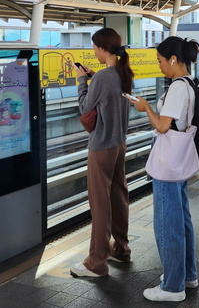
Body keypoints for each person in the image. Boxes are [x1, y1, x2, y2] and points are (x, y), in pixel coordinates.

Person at [130, 37, 199, 302]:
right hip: (179, 160)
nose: (159, 66)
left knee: (167, 222)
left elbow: (162, 126)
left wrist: (145, 106)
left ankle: (173, 286)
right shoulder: (188, 83)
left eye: (160, 61)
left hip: (167, 164)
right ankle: (186, 275)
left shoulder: (178, 88)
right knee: (181, 220)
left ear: (173, 59)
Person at [70, 28, 134, 278]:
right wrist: (94, 77)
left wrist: (82, 80)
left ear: (104, 49)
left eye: (95, 48)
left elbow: (85, 107)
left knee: (100, 203)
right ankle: (121, 249)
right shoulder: (123, 73)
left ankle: (96, 262)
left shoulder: (101, 79)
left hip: (101, 147)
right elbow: (110, 95)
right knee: (119, 196)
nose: (93, 52)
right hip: (119, 144)